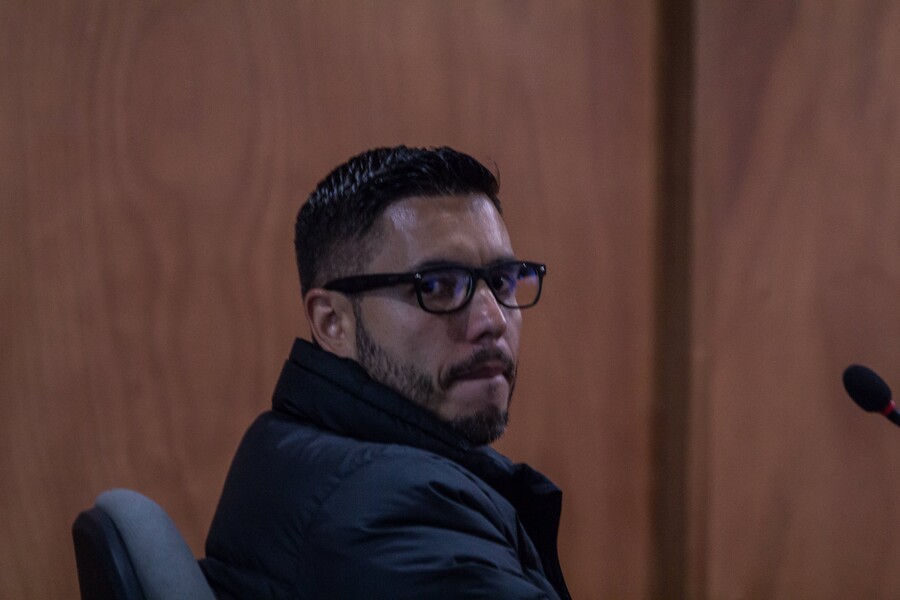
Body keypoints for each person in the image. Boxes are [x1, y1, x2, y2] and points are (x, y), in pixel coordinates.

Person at [201, 146, 571, 599]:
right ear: (332, 322)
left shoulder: (307, 448)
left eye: (502, 281)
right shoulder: (387, 507)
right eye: (436, 286)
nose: (492, 320)